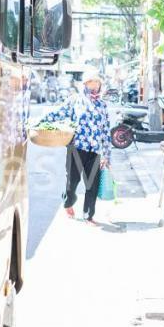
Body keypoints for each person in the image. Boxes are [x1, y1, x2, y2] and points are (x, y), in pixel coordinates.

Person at [42, 71, 112, 226]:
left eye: (97, 83)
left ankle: (88, 216)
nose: (94, 85)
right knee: (72, 182)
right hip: (76, 148)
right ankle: (68, 202)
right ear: (85, 84)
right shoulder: (75, 100)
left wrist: (107, 154)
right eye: (91, 82)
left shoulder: (102, 105)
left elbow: (106, 130)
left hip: (94, 150)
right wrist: (40, 122)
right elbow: (58, 113)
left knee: (92, 184)